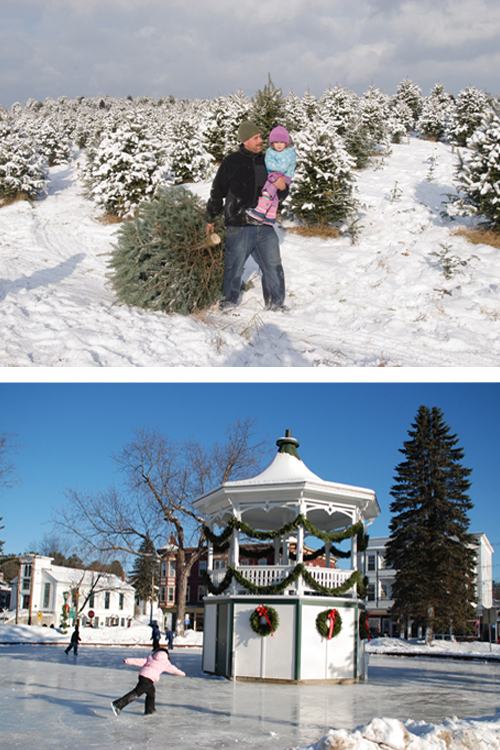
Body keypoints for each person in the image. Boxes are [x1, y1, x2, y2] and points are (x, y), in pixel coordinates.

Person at [205, 121, 288, 311]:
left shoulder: (269, 161)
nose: (261, 141)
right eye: (256, 138)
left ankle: (275, 304)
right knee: (234, 266)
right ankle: (228, 303)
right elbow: (217, 191)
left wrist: (284, 189)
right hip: (239, 223)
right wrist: (210, 217)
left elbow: (279, 190)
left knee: (273, 265)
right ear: (245, 141)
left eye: (261, 136)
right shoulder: (231, 162)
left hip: (264, 224)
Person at [111, 647, 185, 716]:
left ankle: (150, 710)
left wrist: (128, 660)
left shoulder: (151, 658)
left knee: (151, 693)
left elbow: (139, 661)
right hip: (149, 679)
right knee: (136, 693)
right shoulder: (165, 663)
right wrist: (182, 673)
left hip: (142, 676)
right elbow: (174, 670)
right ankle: (118, 705)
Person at [246, 126, 296, 225]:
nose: (279, 145)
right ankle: (270, 216)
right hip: (275, 174)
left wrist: (274, 169)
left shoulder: (289, 152)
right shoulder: (270, 152)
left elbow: (282, 167)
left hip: (284, 177)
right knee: (274, 196)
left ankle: (260, 211)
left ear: (286, 142)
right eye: (276, 142)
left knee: (268, 191)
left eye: (282, 142)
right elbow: (269, 162)